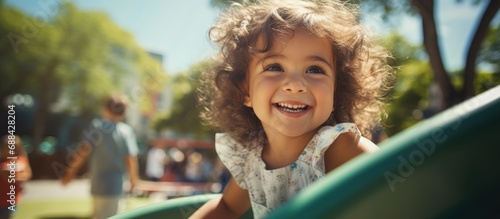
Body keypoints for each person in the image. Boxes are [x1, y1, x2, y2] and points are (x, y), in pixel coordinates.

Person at [192, 0, 393, 218]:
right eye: (275, 67)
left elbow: (401, 191)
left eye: (315, 69)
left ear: (336, 92)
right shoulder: (252, 160)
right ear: (246, 92)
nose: (295, 84)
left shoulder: (339, 149)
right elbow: (226, 209)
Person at [61, 94, 140, 219]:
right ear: (123, 113)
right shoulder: (125, 131)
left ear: (106, 109)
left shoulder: (97, 126)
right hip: (116, 187)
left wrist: (70, 173)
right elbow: (130, 158)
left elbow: (82, 152)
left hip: (97, 185)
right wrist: (134, 181)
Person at [0, 135, 32, 219]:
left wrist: (11, 177)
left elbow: (27, 174)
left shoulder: (20, 160)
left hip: (9, 200)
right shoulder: (2, 160)